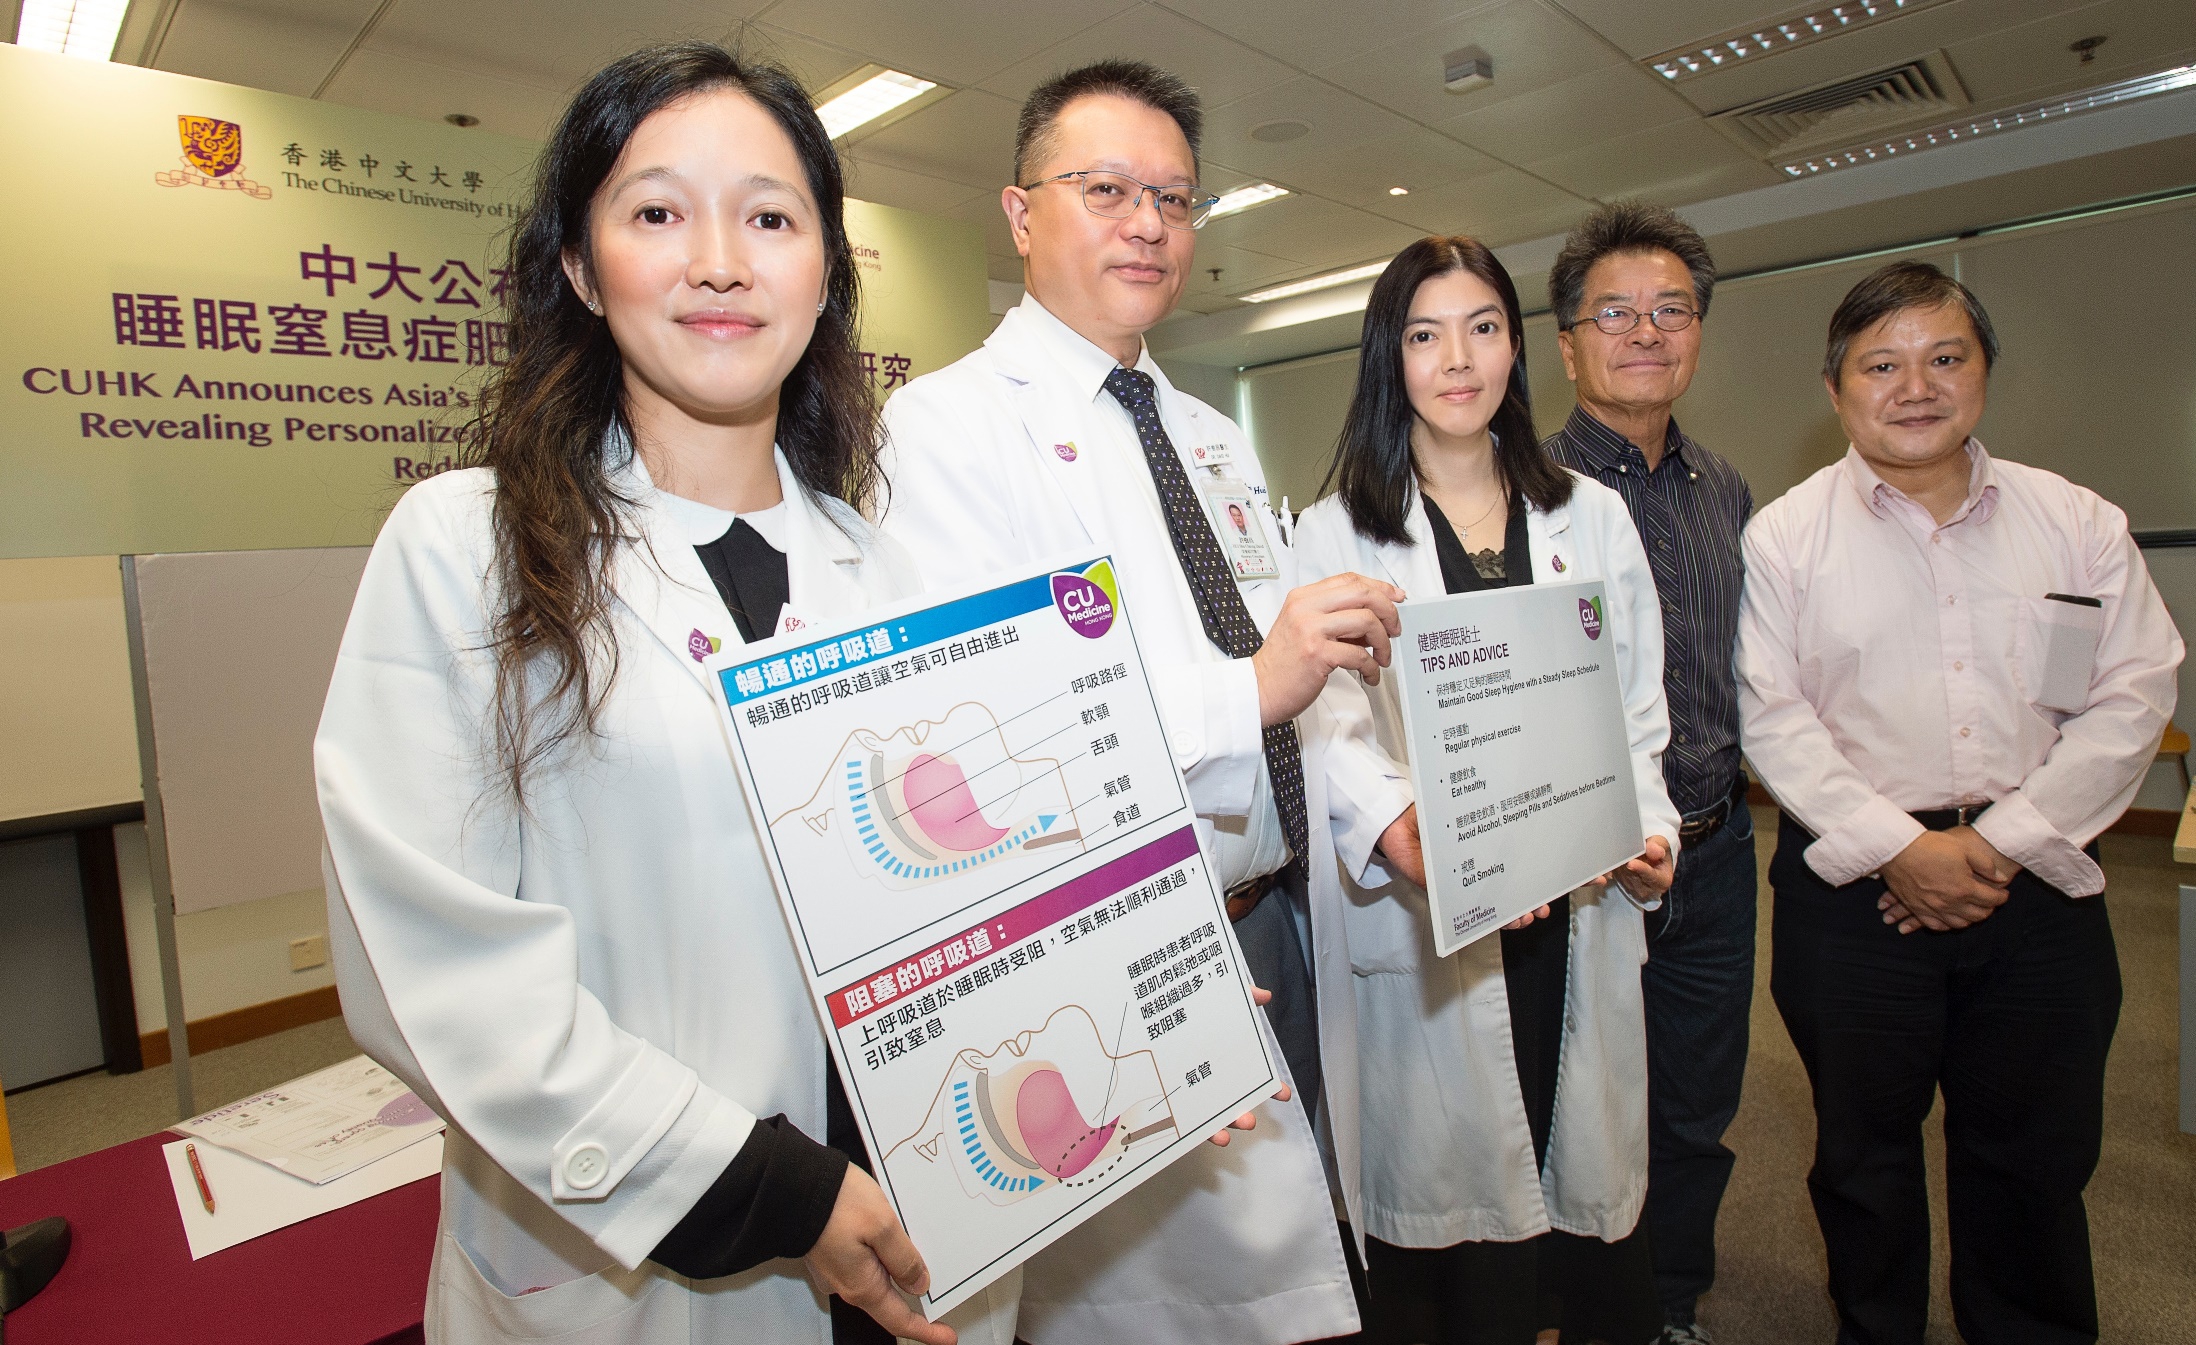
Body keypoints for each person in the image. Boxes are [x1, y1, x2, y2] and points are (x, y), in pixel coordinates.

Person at [315, 45, 1017, 1345]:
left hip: (918, 1216)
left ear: (823, 272)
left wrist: (1131, 947)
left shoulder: (899, 574)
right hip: (642, 1258)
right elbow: (436, 977)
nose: (720, 259)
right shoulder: (463, 549)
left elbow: (963, 869)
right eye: (656, 212)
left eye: (769, 216)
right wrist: (763, 1183)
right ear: (580, 268)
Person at [877, 58, 1411, 1344]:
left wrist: (1382, 814)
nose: (1148, 224)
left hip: (1274, 917)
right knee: (1154, 1311)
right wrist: (1250, 686)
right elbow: (983, 752)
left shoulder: (1206, 431)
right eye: (1106, 188)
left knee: (1312, 1263)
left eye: (1175, 200)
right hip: (1119, 941)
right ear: (1018, 214)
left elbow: (1301, 688)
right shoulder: (944, 429)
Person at [1738, 260, 2182, 1345]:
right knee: (1862, 1160)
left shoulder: (2075, 520)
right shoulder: (1786, 538)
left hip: (2040, 895)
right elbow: (1771, 714)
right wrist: (1903, 848)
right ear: (1837, 390)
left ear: (1983, 372)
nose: (1915, 385)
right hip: (1855, 905)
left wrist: (1999, 845)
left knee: (2032, 1158)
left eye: (1945, 357)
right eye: (1880, 365)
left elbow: (2135, 692)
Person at [1293, 235, 1679, 1345]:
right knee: (1462, 1259)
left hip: (1579, 909)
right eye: (1424, 334)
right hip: (1435, 922)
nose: (1457, 359)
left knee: (1580, 1189)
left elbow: (1638, 709)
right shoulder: (1339, 532)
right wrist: (1419, 838)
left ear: (1517, 345)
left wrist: (1652, 834)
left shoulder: (1591, 516)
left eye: (1482, 326)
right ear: (1390, 358)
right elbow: (1333, 730)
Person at [1541, 202, 1754, 1345]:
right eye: (1614, 312)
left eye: (1671, 310)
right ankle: (1581, 1311)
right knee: (1579, 1105)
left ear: (1698, 334)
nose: (1646, 331)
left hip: (1717, 854)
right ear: (1568, 346)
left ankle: (1668, 1304)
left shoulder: (1726, 491)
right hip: (1589, 863)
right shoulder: (1528, 495)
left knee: (1700, 1109)